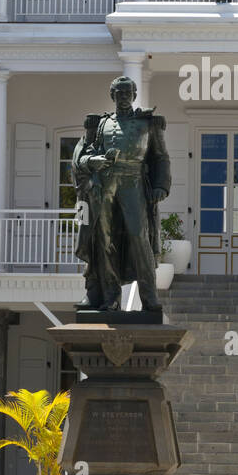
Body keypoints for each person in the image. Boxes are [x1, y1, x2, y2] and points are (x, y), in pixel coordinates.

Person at [72, 75, 171, 311]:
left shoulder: (148, 123)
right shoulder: (101, 124)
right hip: (105, 185)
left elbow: (160, 157)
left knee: (139, 237)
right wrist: (94, 160)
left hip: (133, 182)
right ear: (112, 96)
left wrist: (160, 186)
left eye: (128, 92)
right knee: (105, 239)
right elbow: (85, 155)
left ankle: (149, 298)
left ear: (135, 95)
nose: (124, 96)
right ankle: (111, 297)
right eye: (119, 93)